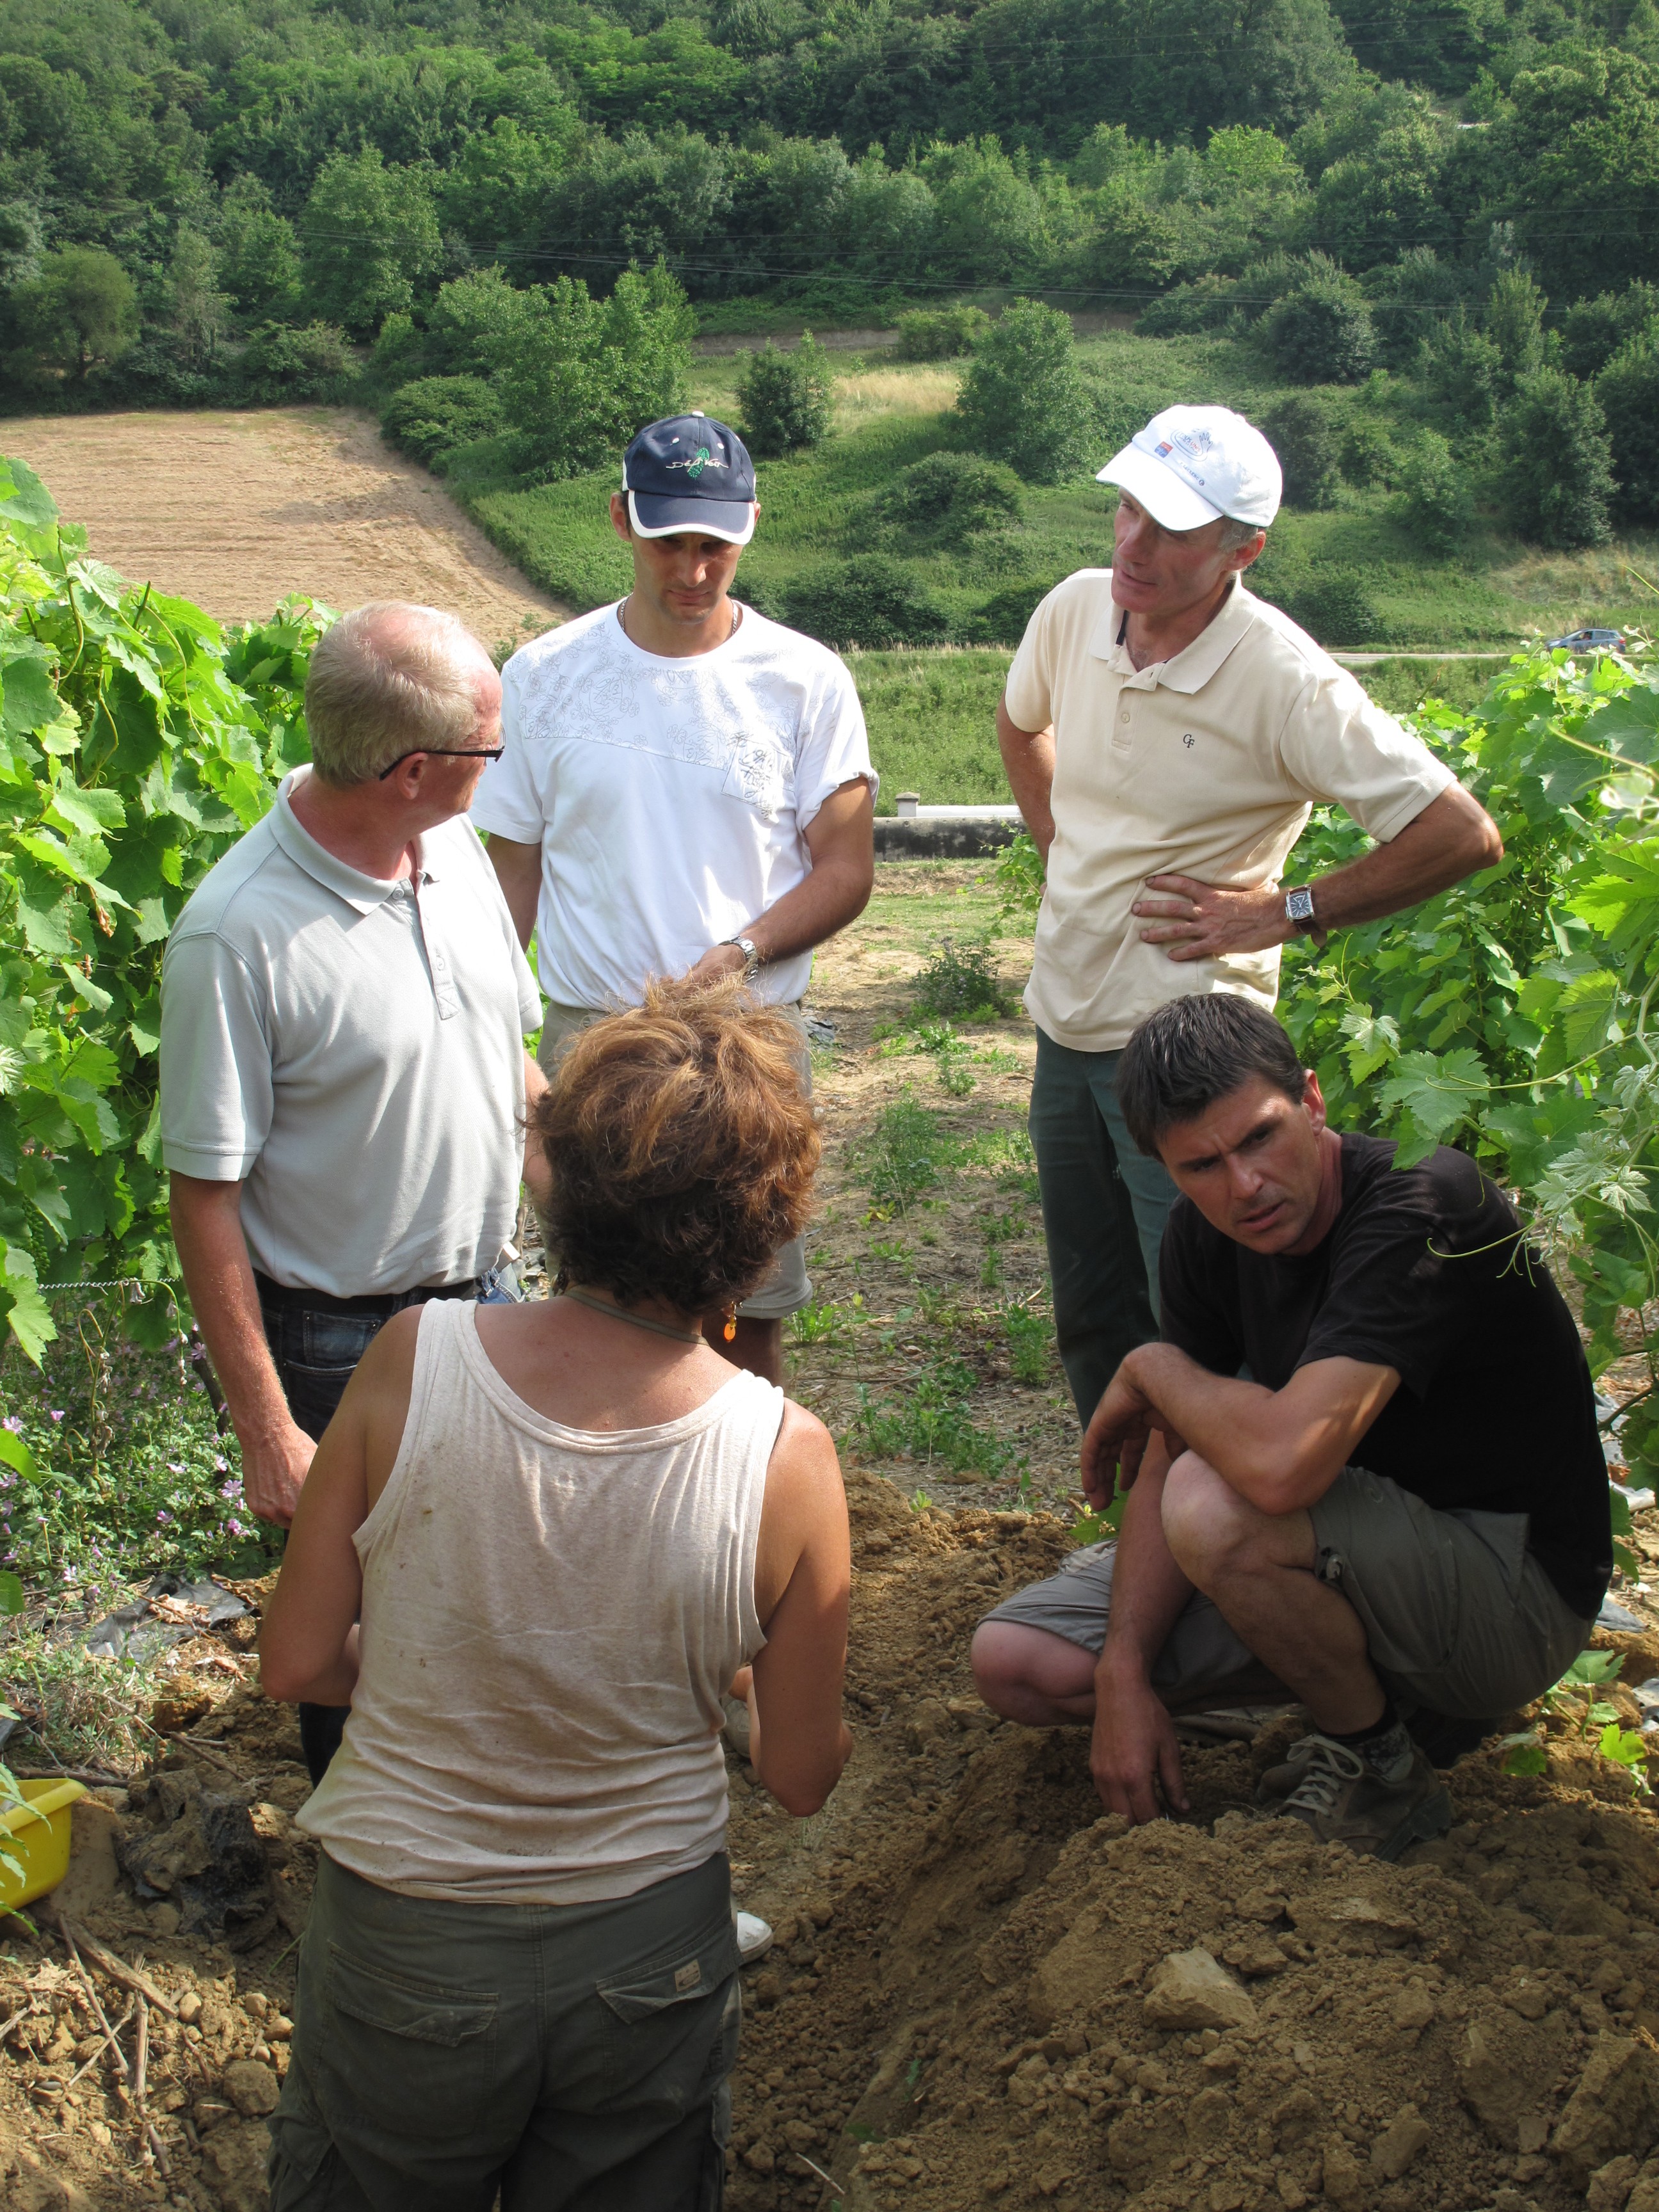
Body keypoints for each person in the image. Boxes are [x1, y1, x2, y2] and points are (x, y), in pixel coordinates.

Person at [259, 982, 854, 2211]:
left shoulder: (415, 1357)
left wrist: (438, 1661)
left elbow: (298, 1661)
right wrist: (721, 1682)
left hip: (407, 1939)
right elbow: (800, 1776)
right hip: (645, 1958)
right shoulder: (787, 1456)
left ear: (561, 1183)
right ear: (764, 1231)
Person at [973, 995, 1611, 1860]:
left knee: (1215, 1504)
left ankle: (1378, 1763)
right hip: (1350, 1553)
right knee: (1020, 1664)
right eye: (1202, 1165)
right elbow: (1170, 1449)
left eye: (1260, 1138)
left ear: (1311, 1100)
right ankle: (1373, 1701)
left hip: (1509, 1595)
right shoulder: (1203, 1239)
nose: (1244, 1186)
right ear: (1163, 1166)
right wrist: (1123, 1670)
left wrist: (1153, 1367)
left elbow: (1281, 1469)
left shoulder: (1423, 1204)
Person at [996, 404, 1503, 1430]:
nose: (1134, 545)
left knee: (1199, 1312)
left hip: (1189, 1048)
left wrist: (1284, 911)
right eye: (1128, 510)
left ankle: (1221, 1512)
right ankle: (1124, 1505)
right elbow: (1020, 724)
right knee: (1093, 1306)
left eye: (1173, 531)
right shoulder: (1076, 610)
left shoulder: (1284, 677)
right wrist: (1063, 852)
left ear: (1243, 550)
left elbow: (1459, 833)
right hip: (1066, 1018)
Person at [161, 602, 547, 1784]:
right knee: (362, 1638)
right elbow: (204, 1195)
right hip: (338, 1342)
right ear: (413, 769)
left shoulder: (454, 850)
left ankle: (478, 1836)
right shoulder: (237, 936)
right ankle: (361, 1856)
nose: (501, 765)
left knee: (492, 1596)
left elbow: (510, 1064)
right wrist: (267, 1426)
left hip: (486, 1306)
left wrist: (610, 1238)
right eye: (488, 748)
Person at [472, 411, 877, 1386]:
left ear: (750, 527)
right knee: (594, 1304)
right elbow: (511, 870)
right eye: (669, 544)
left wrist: (740, 954)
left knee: (746, 1307)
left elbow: (844, 869)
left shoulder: (803, 679)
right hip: (593, 1040)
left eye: (714, 547)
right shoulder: (546, 677)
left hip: (749, 1042)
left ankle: (741, 1480)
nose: (693, 570)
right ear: (622, 520)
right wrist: (487, 1024)